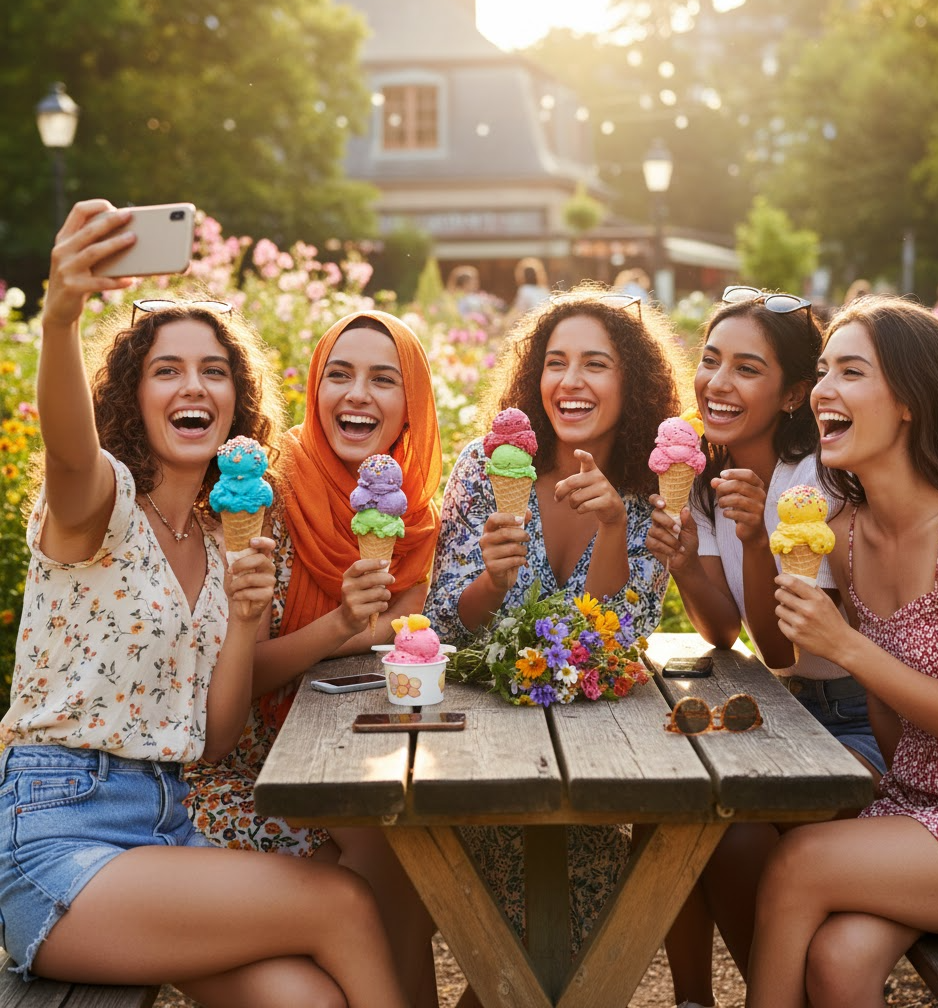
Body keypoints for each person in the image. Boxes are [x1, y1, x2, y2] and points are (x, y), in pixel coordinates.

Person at [0, 199, 407, 1007]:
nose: (194, 385)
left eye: (213, 370)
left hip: (166, 825)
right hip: (59, 838)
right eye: (167, 369)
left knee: (310, 1000)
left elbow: (215, 738)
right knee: (346, 903)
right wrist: (62, 314)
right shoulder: (102, 504)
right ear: (132, 393)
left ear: (235, 402)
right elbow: (67, 441)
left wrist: (247, 611)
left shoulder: (228, 540)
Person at [747, 295, 938, 1007]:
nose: (822, 392)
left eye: (851, 372)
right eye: (821, 372)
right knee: (840, 959)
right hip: (920, 807)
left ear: (910, 400)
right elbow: (898, 732)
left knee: (799, 862)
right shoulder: (844, 533)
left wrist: (846, 646)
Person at [425, 287, 689, 993]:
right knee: (508, 953)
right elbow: (451, 621)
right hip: (487, 743)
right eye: (555, 362)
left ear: (630, 383)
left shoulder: (652, 493)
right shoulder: (487, 469)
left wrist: (611, 530)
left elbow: (618, 639)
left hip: (599, 758)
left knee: (579, 955)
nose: (570, 381)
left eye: (595, 364)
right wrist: (491, 578)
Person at [187, 309, 443, 1006]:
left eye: (383, 380)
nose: (358, 394)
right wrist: (344, 628)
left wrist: (383, 626)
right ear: (314, 386)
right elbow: (228, 680)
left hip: (330, 759)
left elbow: (407, 635)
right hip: (230, 771)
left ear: (411, 403)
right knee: (383, 866)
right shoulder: (261, 494)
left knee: (403, 860)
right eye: (340, 374)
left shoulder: (412, 516)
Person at [644, 285, 885, 1008]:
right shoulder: (713, 478)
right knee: (682, 816)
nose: (717, 382)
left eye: (748, 369)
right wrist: (686, 562)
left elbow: (780, 648)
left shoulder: (821, 482)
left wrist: (756, 539)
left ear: (792, 396)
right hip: (793, 712)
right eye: (712, 360)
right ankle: (698, 999)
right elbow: (721, 630)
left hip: (857, 722)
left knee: (728, 824)